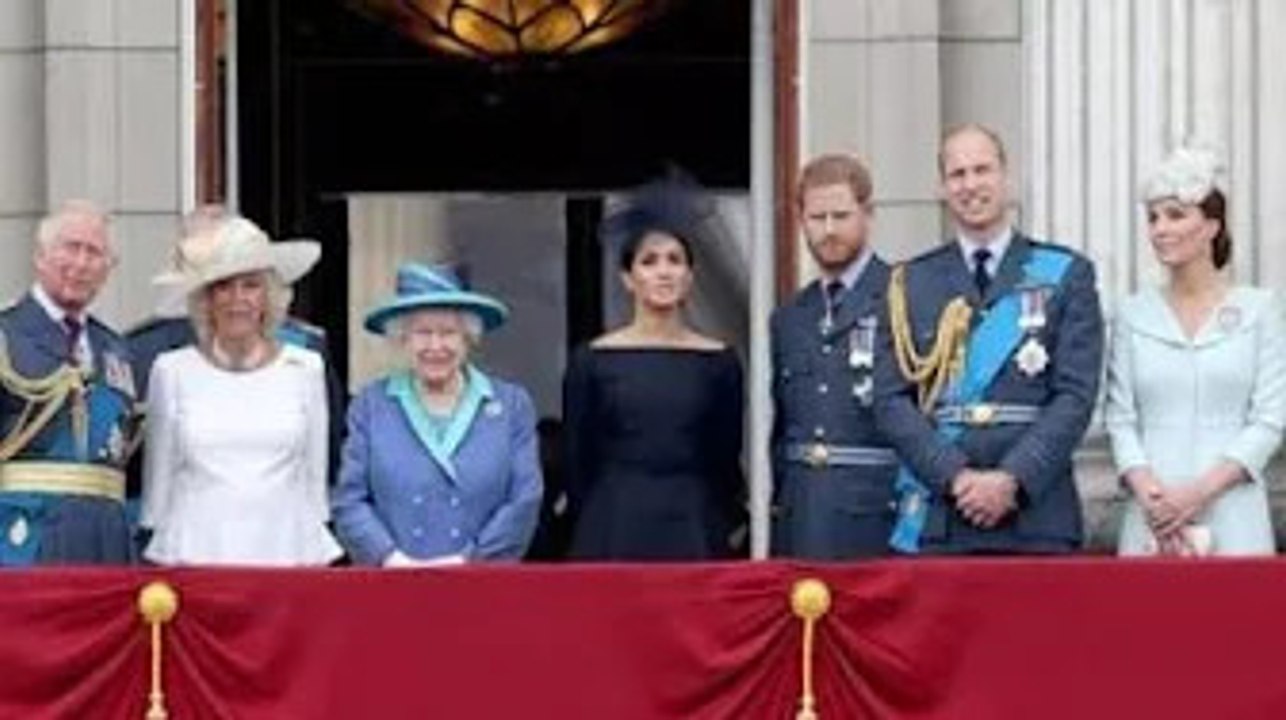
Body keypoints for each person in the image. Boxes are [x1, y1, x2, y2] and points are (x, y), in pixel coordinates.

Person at [874, 123, 1104, 554]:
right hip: (942, 514)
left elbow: (1076, 396)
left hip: (1037, 513)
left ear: (1006, 178)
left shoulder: (1066, 273)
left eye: (982, 170)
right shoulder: (909, 282)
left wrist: (1012, 479)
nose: (971, 185)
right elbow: (889, 400)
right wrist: (956, 478)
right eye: (957, 175)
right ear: (942, 188)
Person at [1107, 147, 1285, 557]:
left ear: (1211, 226)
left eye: (1175, 214)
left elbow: (1270, 419)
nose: (1160, 229)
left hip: (1234, 512)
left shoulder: (1259, 310)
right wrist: (1153, 496)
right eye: (1152, 218)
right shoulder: (1133, 314)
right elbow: (1120, 418)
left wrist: (1197, 494)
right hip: (1151, 517)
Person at [140, 217, 342, 565]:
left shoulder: (306, 368)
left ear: (269, 296)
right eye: (224, 287)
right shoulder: (171, 370)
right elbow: (158, 492)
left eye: (251, 286)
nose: (238, 299)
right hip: (196, 554)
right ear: (206, 300)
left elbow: (315, 486)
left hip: (287, 552)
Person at [564, 189, 745, 560]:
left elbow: (725, 458)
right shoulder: (592, 361)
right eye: (649, 261)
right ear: (628, 278)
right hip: (613, 527)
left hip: (695, 527)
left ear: (689, 276)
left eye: (675, 260)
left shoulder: (719, 361)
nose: (664, 272)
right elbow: (577, 460)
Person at [333, 262, 542, 565]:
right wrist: (391, 559)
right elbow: (349, 499)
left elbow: (524, 499)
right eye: (422, 333)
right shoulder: (371, 406)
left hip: (482, 585)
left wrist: (469, 561)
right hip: (393, 585)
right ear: (402, 338)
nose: (435, 346)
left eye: (448, 333)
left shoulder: (511, 405)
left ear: (468, 337)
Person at [770, 154, 898, 559]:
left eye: (841, 216)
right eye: (817, 217)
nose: (828, 231)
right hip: (801, 518)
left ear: (868, 213)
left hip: (879, 519)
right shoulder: (789, 317)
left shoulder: (905, 298)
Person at [0, 200, 137, 565]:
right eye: (70, 247)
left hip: (104, 544)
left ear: (108, 269)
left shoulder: (116, 349)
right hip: (25, 538)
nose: (81, 263)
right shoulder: (5, 336)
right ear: (40, 256)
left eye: (94, 253)